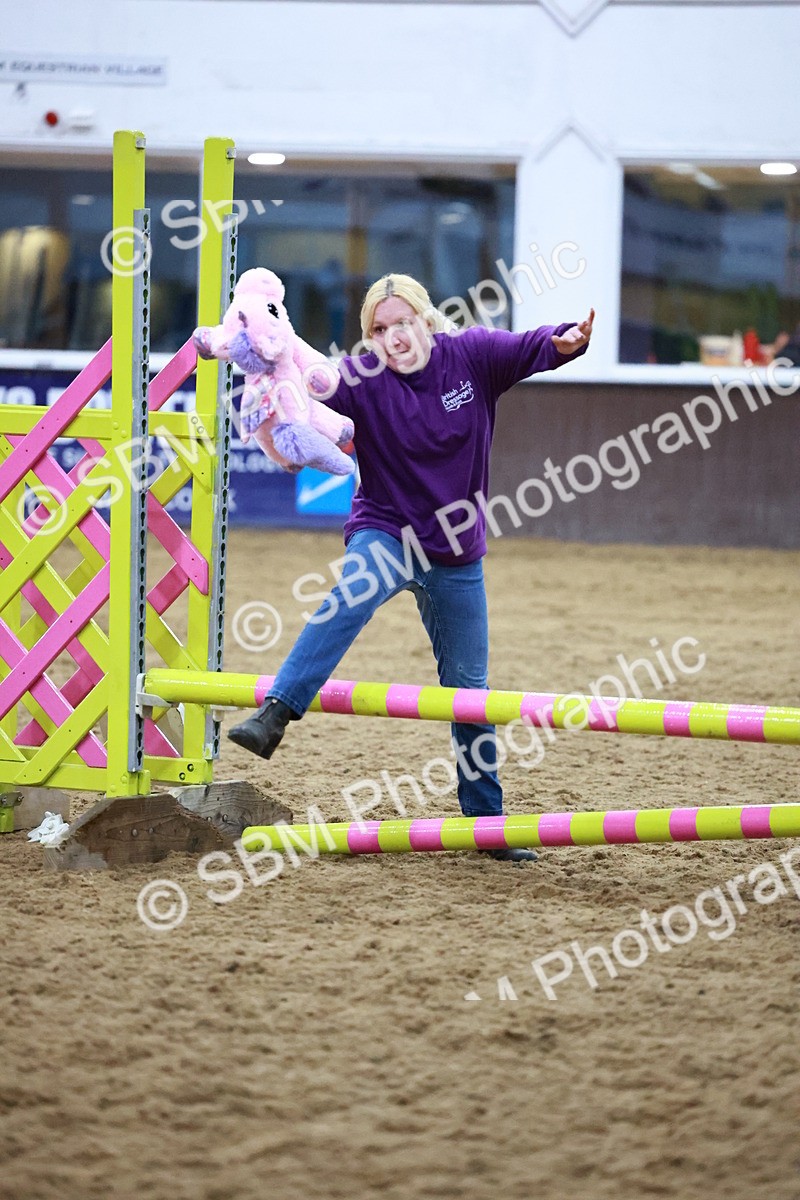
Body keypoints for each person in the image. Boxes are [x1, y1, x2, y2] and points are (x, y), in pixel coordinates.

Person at [229, 273, 594, 862]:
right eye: (378, 328)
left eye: (403, 322)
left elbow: (535, 346)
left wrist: (567, 339)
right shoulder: (360, 379)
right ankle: (277, 712)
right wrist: (264, 371)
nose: (393, 337)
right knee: (351, 592)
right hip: (386, 530)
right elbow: (303, 393)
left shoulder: (471, 355)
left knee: (470, 692)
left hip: (456, 552)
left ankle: (487, 826)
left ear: (427, 320)